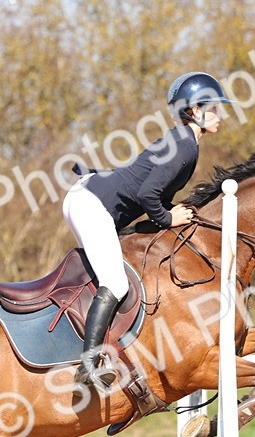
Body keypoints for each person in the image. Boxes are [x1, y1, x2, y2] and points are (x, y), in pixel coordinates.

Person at [62, 71, 231, 389]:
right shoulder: (184, 146)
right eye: (214, 108)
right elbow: (147, 195)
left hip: (90, 196)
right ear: (194, 111)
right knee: (115, 282)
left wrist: (160, 218)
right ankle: (89, 365)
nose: (220, 114)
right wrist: (168, 220)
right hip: (91, 204)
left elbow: (150, 197)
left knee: (110, 276)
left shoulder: (183, 141)